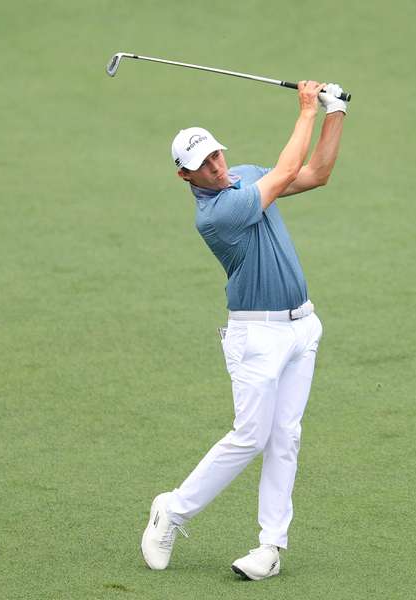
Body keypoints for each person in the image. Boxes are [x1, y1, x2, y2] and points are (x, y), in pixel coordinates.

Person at [140, 80, 347, 581]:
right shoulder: (216, 215)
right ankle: (173, 509)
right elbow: (281, 176)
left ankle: (270, 547)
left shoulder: (245, 177)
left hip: (302, 328)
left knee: (285, 437)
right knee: (251, 435)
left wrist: (335, 111)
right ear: (184, 176)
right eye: (203, 165)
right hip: (257, 336)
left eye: (216, 155)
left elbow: (314, 173)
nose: (216, 167)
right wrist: (305, 109)